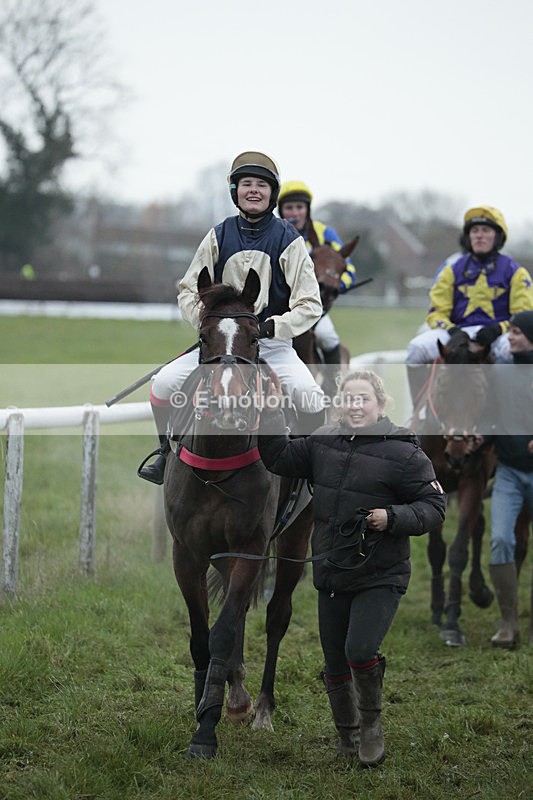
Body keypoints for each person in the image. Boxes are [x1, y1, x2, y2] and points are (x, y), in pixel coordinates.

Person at [258, 369, 446, 766]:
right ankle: (347, 735)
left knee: (359, 650)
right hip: (332, 571)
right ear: (338, 403)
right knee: (333, 663)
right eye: (348, 398)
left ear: (380, 403)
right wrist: (272, 413)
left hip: (381, 574)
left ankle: (371, 729)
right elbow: (277, 457)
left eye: (363, 398)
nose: (355, 405)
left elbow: (434, 508)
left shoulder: (405, 452)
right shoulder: (323, 441)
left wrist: (391, 517)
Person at [138, 151, 325, 484]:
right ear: (235, 191)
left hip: (271, 346)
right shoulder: (217, 235)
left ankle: (312, 472)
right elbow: (186, 289)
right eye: (246, 184)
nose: (253, 191)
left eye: (261, 185)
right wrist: (210, 325)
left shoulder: (289, 240)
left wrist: (273, 327)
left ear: (272, 193)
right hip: (220, 347)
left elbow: (310, 303)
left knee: (310, 397)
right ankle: (165, 453)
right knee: (164, 383)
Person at [405, 206, 533, 404]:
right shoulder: (451, 270)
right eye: (474, 231)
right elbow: (436, 313)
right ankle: (421, 411)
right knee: (415, 349)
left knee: (511, 353)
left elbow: (522, 316)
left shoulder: (516, 272)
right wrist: (452, 330)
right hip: (457, 331)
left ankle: (502, 418)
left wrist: (498, 329)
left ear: (498, 237)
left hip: (497, 334)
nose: (479, 236)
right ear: (468, 237)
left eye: (486, 231)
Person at [477, 310, 533, 648]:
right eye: (509, 331)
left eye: (516, 332)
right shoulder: (500, 372)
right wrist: (477, 437)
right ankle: (508, 623)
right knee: (500, 539)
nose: (509, 337)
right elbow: (489, 417)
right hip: (510, 472)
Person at [277, 180, 357, 368]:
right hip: (278, 306)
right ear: (281, 211)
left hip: (313, 306)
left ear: (308, 210)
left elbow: (348, 269)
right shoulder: (274, 232)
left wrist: (336, 286)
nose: (295, 213)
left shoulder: (325, 234)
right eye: (289, 208)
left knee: (326, 336)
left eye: (299, 207)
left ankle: (333, 387)